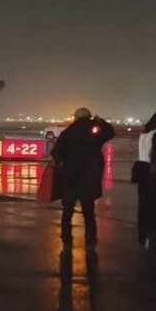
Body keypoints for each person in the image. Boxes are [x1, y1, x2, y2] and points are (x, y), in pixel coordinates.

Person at [50, 107, 115, 249]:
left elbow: (56, 153)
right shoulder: (94, 131)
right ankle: (90, 239)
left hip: (70, 177)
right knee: (88, 212)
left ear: (76, 117)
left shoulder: (68, 132)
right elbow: (110, 133)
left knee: (67, 211)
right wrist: (101, 122)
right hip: (89, 177)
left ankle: (66, 237)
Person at [135, 111, 156, 246]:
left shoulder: (144, 134)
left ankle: (143, 236)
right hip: (154, 170)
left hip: (142, 170)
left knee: (143, 205)